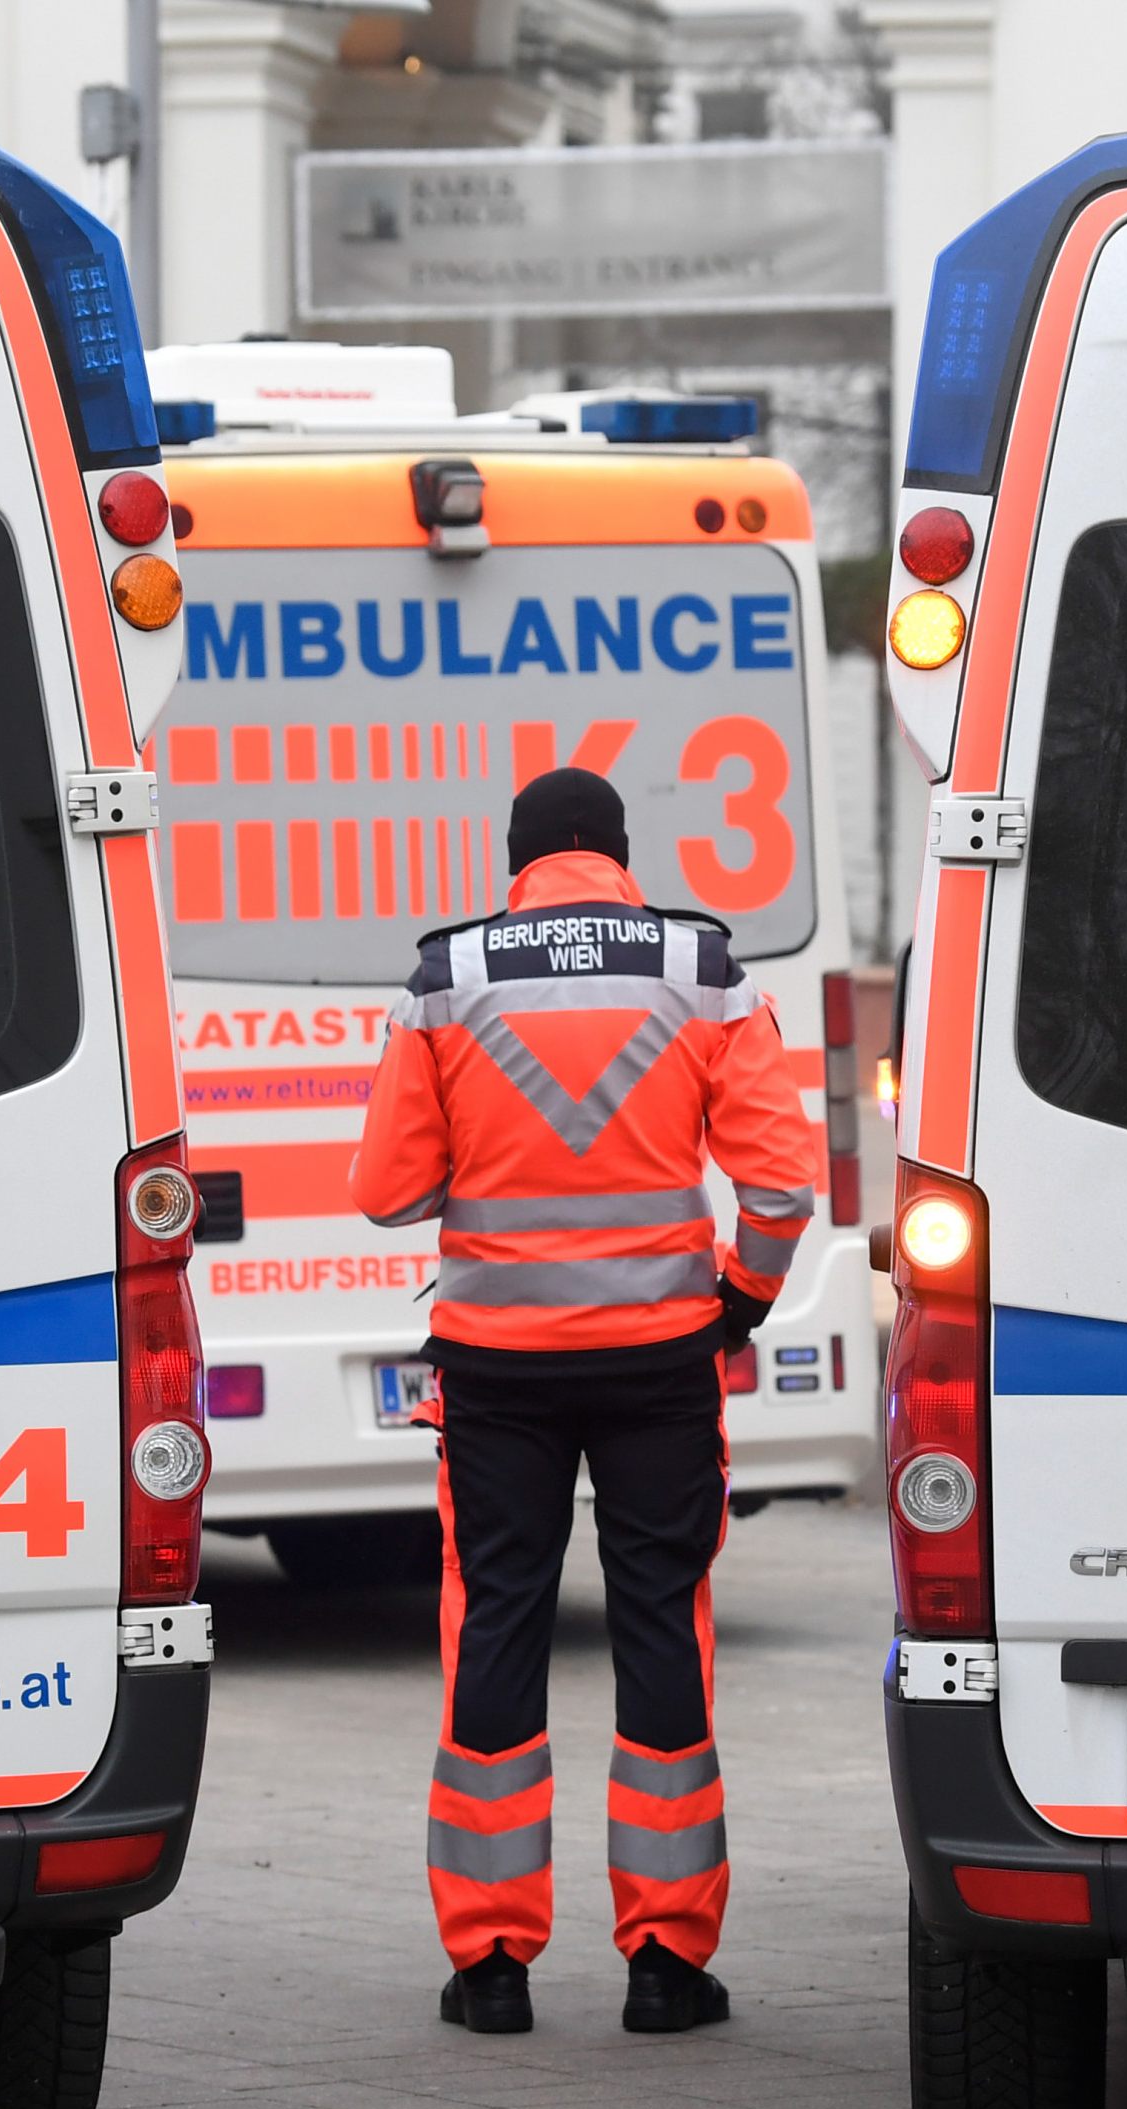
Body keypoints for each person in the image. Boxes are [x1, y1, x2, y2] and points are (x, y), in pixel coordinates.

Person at [347, 769, 817, 2036]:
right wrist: (741, 1303)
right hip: (661, 1365)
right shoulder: (699, 968)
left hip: (496, 1370)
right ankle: (665, 1961)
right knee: (662, 1627)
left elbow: (386, 1190)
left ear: (514, 864)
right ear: (618, 855)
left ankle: (491, 1964)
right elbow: (782, 1187)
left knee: (494, 1623)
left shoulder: (447, 979)